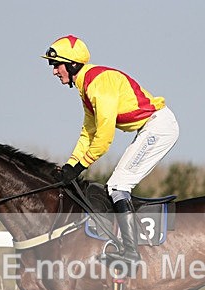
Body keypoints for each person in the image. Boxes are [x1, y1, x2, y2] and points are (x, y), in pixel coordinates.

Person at [42, 35, 179, 263]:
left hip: (158, 127)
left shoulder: (98, 86)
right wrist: (70, 163)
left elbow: (104, 138)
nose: (54, 71)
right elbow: (88, 132)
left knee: (118, 185)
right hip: (149, 128)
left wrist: (80, 167)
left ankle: (131, 253)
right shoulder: (86, 87)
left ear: (73, 64)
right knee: (116, 185)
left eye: (57, 65)